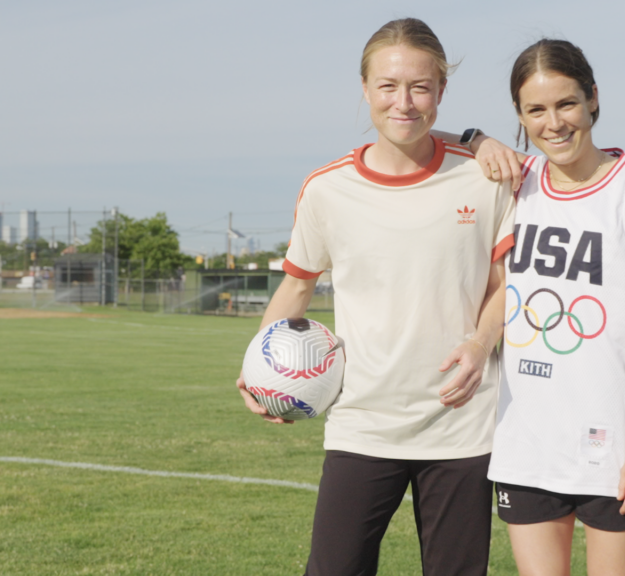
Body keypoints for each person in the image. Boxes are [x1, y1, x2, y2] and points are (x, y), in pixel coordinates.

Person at [234, 18, 515, 576]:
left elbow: (506, 283)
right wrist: (256, 373)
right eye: (388, 86)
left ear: (440, 92)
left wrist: (482, 344)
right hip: (362, 420)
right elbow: (297, 284)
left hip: (462, 424)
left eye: (420, 86)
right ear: (364, 90)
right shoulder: (327, 189)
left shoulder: (485, 178)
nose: (403, 102)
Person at [475, 39, 625, 576]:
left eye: (566, 103)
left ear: (593, 98)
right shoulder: (518, 184)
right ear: (520, 117)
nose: (555, 123)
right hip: (527, 441)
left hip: (613, 447)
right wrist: (476, 140)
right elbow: (421, 134)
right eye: (535, 110)